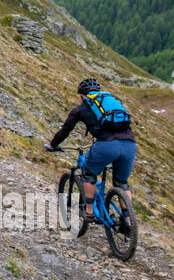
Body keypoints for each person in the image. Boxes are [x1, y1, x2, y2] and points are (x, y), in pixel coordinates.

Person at [45, 78, 136, 237]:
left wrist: (52, 145)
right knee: (121, 182)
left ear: (82, 95)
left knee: (88, 172)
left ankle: (89, 211)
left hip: (106, 146)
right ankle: (128, 220)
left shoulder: (80, 109)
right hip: (130, 145)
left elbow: (65, 130)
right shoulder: (112, 103)